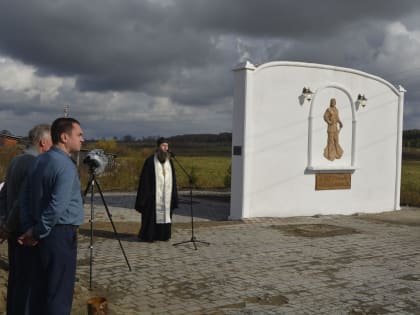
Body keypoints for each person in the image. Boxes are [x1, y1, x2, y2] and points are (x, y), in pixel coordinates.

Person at [19, 117, 84, 315]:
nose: (82, 139)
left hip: (41, 233)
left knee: (39, 291)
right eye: (79, 134)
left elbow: (25, 198)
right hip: (59, 235)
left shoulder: (40, 160)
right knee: (59, 295)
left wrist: (30, 228)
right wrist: (37, 232)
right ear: (65, 137)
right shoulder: (65, 165)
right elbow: (57, 206)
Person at [0, 124, 52, 315]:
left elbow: (3, 194)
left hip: (13, 229)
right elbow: (20, 201)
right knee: (28, 283)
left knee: (16, 279)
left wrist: (3, 222)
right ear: (43, 142)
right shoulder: (35, 163)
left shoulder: (16, 160)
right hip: (24, 231)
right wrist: (7, 225)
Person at [135, 137, 178, 242]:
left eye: (167, 146)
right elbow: (145, 180)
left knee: (166, 215)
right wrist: (147, 196)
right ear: (158, 147)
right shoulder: (150, 161)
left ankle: (163, 235)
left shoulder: (170, 162)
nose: (165, 148)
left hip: (166, 196)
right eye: (163, 146)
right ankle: (149, 236)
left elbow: (173, 180)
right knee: (151, 217)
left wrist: (174, 195)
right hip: (152, 196)